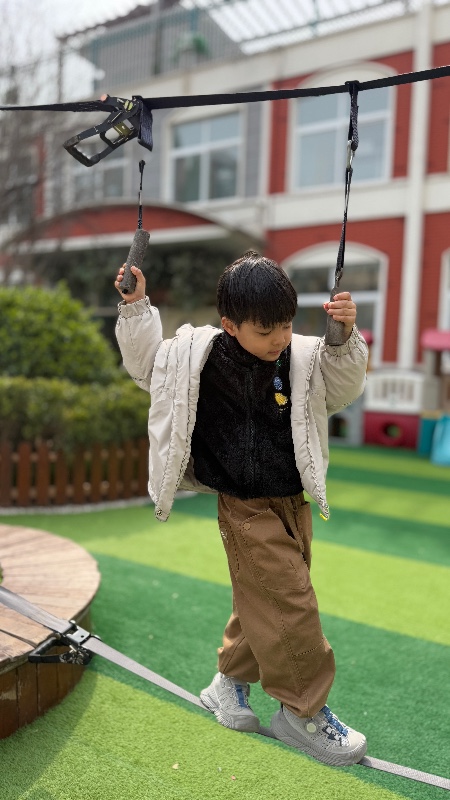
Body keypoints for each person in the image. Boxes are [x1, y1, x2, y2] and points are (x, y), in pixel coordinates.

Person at [114, 251, 369, 767]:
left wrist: (342, 338)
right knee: (291, 602)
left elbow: (343, 391)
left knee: (264, 596)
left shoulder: (302, 355)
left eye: (287, 325)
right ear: (229, 325)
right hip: (242, 505)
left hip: (291, 499)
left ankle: (228, 682)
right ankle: (302, 712)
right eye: (265, 330)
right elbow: (146, 366)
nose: (280, 338)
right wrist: (137, 307)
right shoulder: (197, 356)